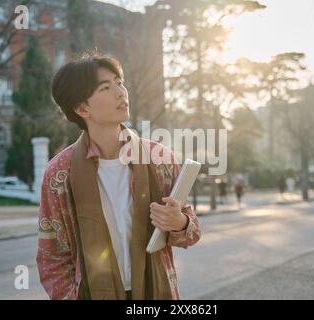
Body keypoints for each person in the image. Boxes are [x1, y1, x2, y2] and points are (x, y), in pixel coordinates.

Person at [36, 53, 201, 300]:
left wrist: (179, 222)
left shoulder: (160, 159)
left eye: (119, 82)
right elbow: (52, 256)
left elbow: (193, 231)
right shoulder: (59, 174)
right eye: (106, 87)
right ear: (82, 108)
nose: (120, 92)